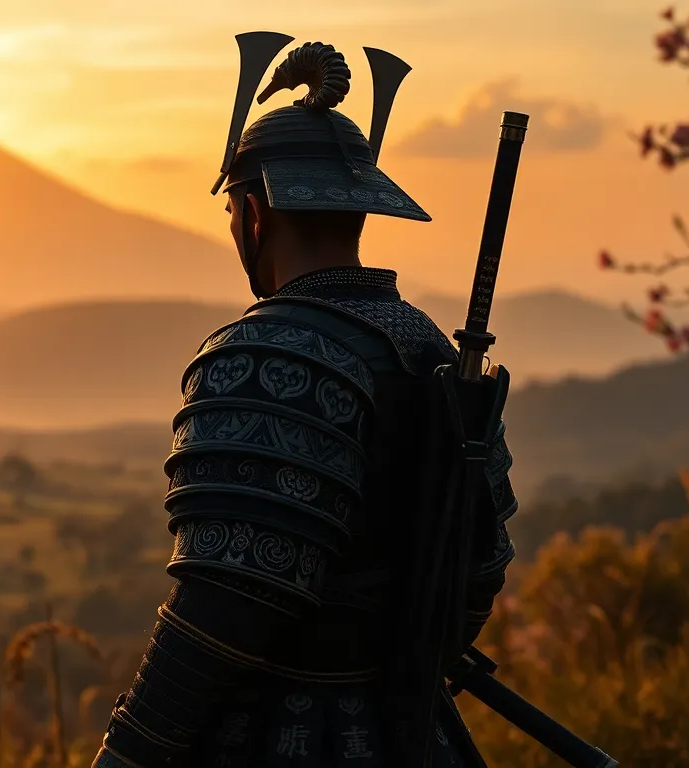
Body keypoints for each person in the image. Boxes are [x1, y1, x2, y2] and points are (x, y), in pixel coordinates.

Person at [90, 40, 519, 767]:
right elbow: (481, 565)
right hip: (414, 734)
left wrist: (128, 755)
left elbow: (220, 612)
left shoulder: (261, 356)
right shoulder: (430, 346)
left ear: (253, 213)